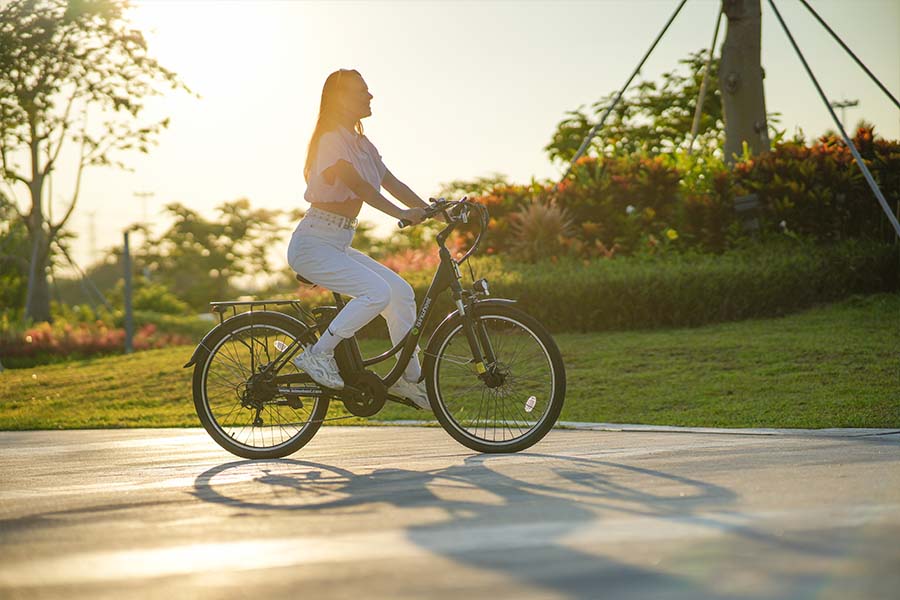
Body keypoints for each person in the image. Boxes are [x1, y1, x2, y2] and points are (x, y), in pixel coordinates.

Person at [286, 68, 435, 409]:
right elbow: (359, 186)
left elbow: (391, 183)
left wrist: (431, 210)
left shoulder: (362, 143)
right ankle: (318, 355)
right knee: (376, 292)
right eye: (361, 91)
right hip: (312, 244)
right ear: (340, 99)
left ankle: (406, 379)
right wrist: (399, 215)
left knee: (400, 294)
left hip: (337, 243)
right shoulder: (330, 140)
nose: (370, 96)